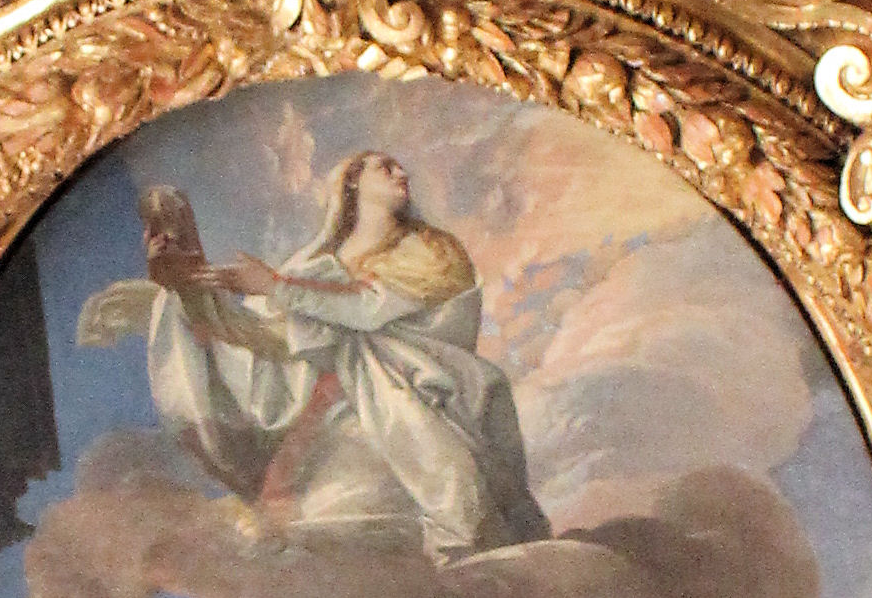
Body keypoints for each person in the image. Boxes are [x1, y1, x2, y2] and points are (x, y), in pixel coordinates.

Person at [79, 147, 550, 562]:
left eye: (400, 167)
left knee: (396, 395)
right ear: (351, 184)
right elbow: (270, 339)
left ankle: (460, 533)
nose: (401, 173)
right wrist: (186, 292)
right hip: (330, 397)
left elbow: (371, 310)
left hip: (412, 376)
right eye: (385, 168)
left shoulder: (429, 248)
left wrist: (279, 288)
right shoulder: (314, 265)